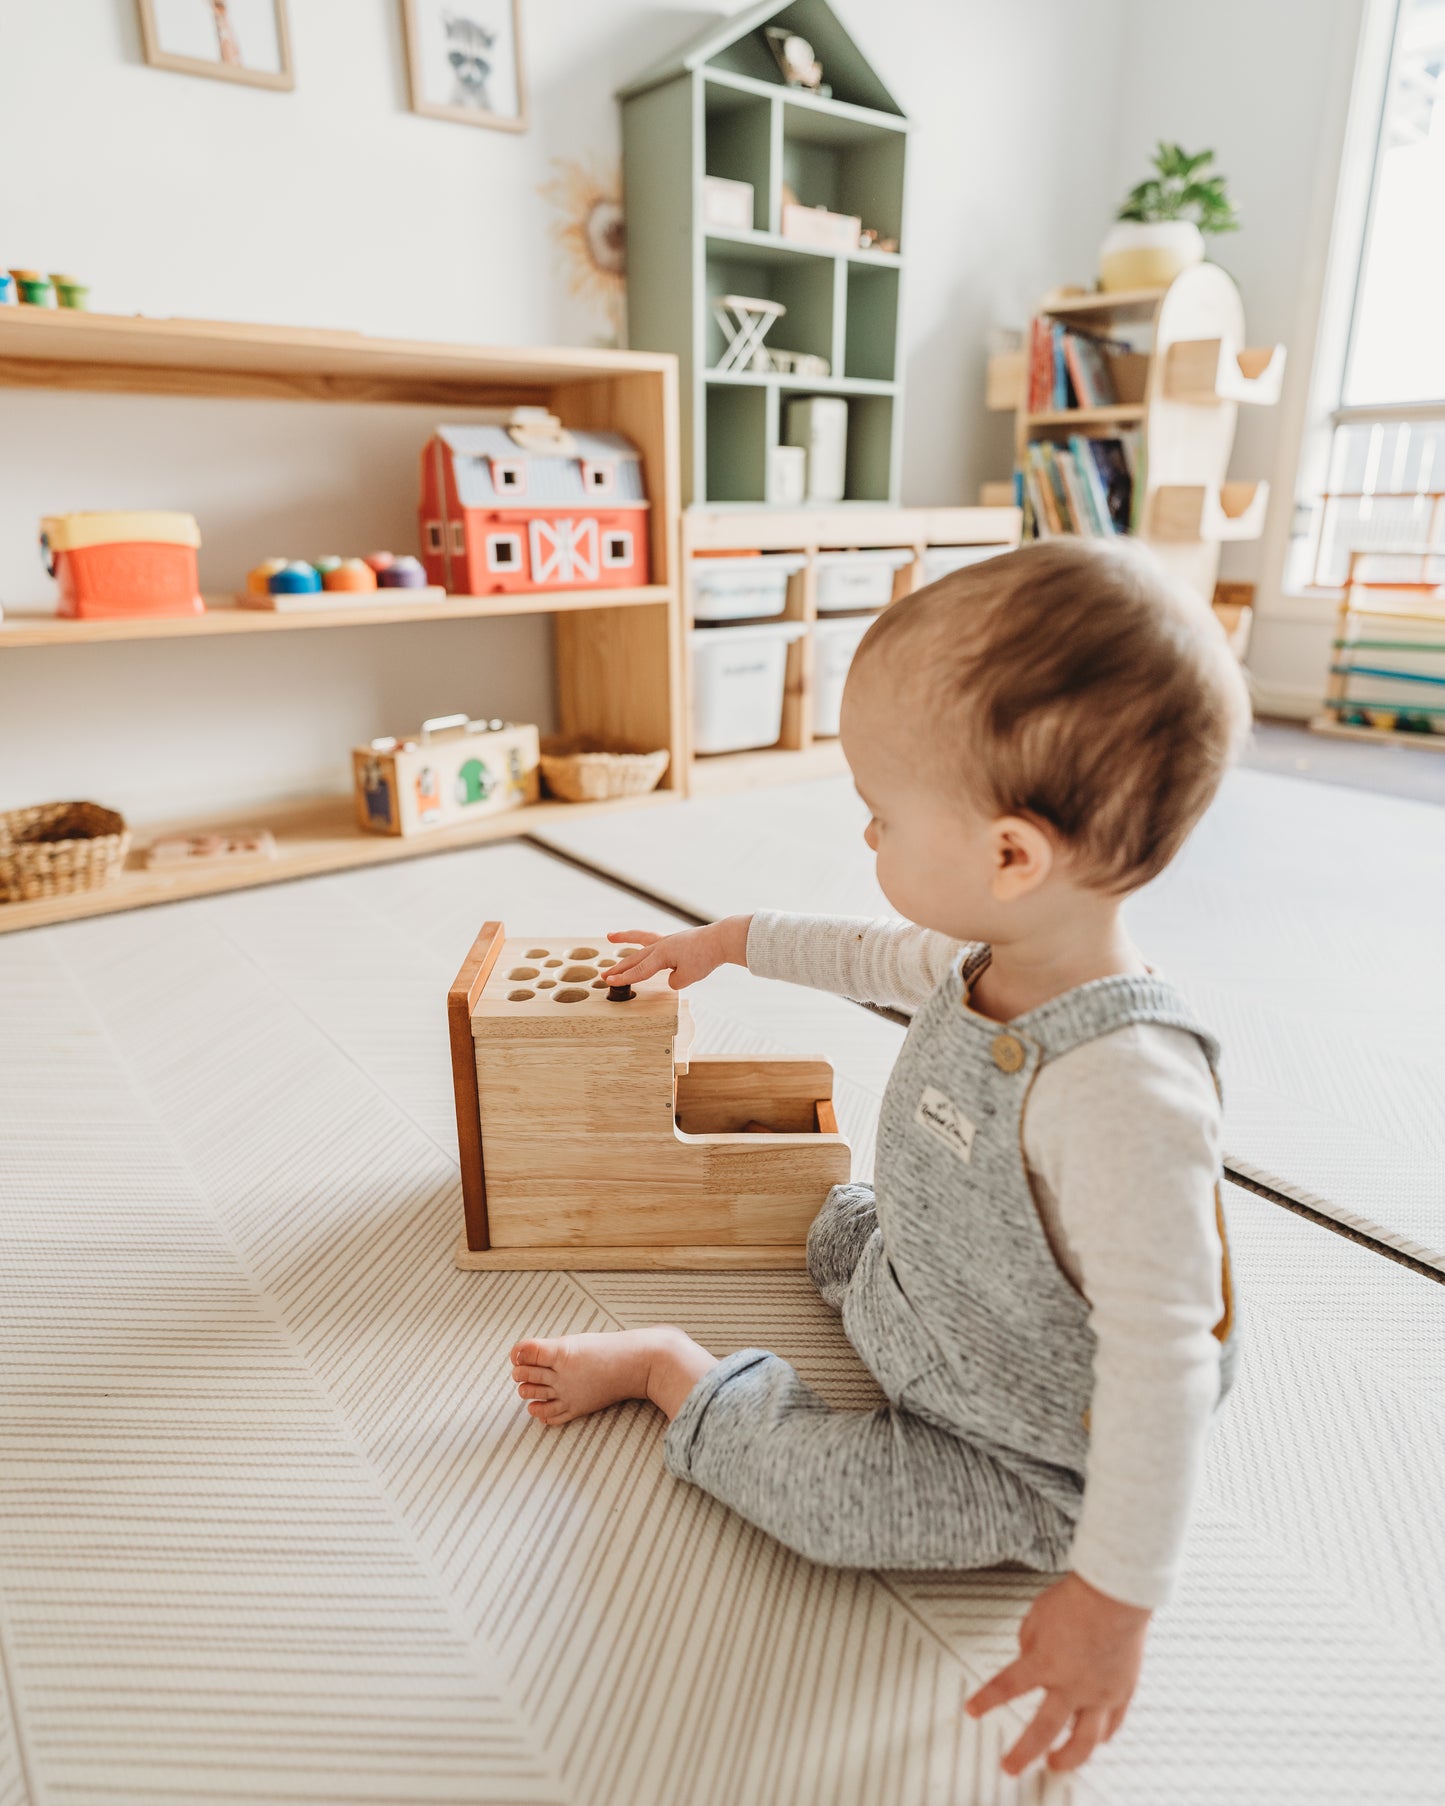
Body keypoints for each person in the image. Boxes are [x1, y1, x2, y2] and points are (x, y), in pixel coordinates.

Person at [509, 538, 1251, 1776]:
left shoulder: (1123, 1091)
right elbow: (861, 951)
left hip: (1020, 1437)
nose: (862, 829)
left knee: (824, 1508)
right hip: (930, 1281)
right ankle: (872, 1274)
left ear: (1011, 856)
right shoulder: (986, 955)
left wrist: (1113, 1603)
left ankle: (671, 1374)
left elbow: (1161, 1369)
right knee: (829, 1224)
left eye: (880, 814)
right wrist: (726, 941)